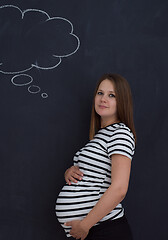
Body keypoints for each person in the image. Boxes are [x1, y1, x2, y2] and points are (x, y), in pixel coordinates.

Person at [55, 73, 136, 240]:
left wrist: (85, 225)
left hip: (104, 230)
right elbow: (95, 175)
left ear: (122, 102)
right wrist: (70, 172)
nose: (103, 99)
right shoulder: (101, 136)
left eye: (111, 95)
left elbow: (119, 188)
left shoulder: (120, 133)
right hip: (93, 231)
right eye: (100, 93)